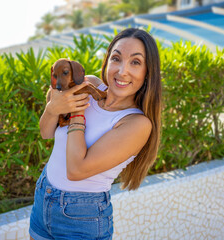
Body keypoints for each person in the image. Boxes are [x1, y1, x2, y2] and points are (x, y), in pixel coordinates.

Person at [29, 28, 162, 240]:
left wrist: (77, 112)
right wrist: (52, 108)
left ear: (148, 72)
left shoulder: (136, 123)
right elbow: (46, 133)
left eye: (135, 62)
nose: (122, 71)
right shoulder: (87, 84)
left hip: (81, 217)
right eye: (116, 58)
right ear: (107, 60)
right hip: (43, 196)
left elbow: (76, 170)